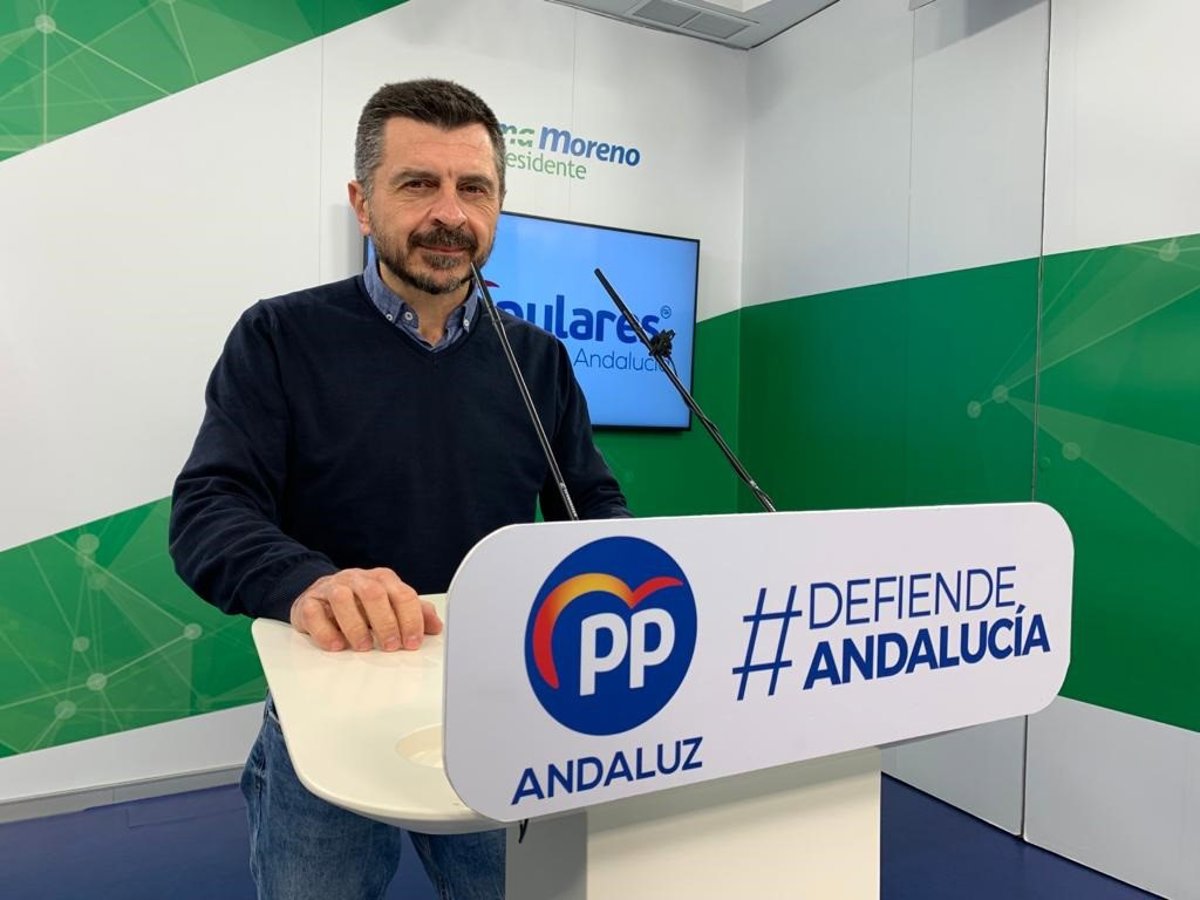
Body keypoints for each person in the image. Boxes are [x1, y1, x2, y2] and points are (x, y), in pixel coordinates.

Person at [169, 78, 630, 900]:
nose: (450, 214)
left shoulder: (538, 359)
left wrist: (627, 568)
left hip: (503, 700)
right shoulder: (280, 335)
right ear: (362, 202)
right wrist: (308, 582)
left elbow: (589, 506)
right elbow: (210, 508)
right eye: (418, 183)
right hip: (331, 707)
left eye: (474, 188)